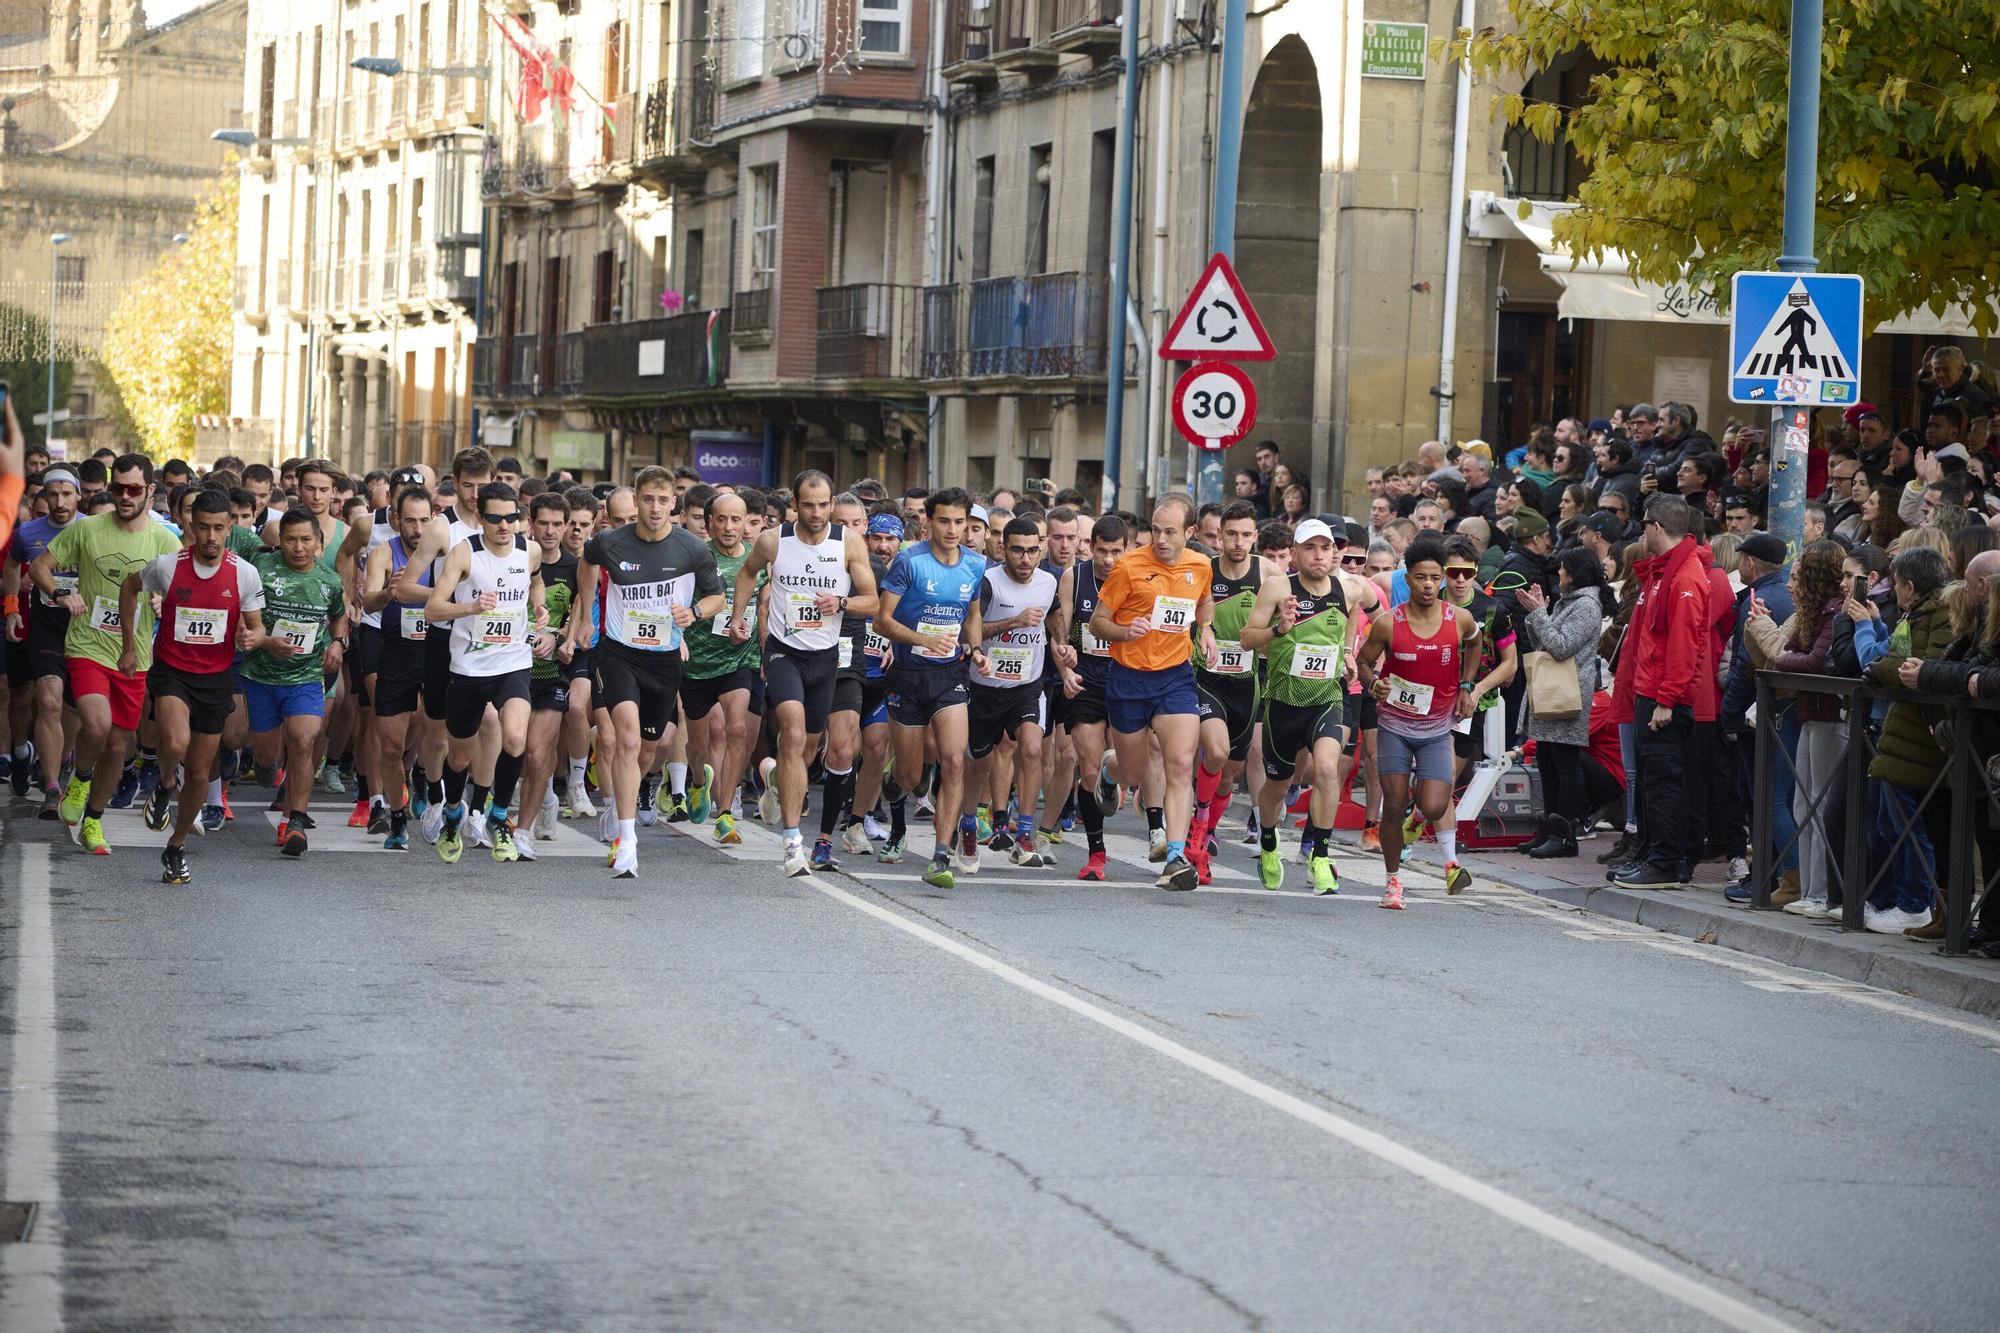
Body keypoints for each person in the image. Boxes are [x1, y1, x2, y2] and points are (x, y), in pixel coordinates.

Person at [574, 468, 722, 877]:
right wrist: (587, 615)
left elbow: (716, 597)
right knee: (623, 736)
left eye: (663, 500)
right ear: (636, 500)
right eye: (648, 499)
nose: (655, 508)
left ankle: (622, 802)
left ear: (673, 503)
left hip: (664, 657)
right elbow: (587, 562)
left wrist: (693, 613)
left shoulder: (691, 548)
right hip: (618, 653)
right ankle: (627, 839)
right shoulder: (610, 541)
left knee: (647, 748)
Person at [730, 471, 877, 877]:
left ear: (832, 504)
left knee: (807, 748)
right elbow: (746, 573)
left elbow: (873, 602)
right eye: (808, 505)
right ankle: (793, 842)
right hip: (783, 652)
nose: (816, 513)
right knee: (792, 734)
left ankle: (776, 779)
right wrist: (738, 616)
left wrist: (842, 602)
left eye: (823, 504)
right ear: (795, 503)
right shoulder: (774, 540)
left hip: (825, 657)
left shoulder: (848, 543)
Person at [33, 453, 180, 855]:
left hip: (135, 655)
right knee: (96, 726)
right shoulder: (88, 529)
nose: (125, 496)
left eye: (134, 489)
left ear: (150, 490)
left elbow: (183, 594)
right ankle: (80, 779)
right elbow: (40, 567)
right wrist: (60, 592)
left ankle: (94, 820)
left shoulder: (166, 540)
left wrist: (163, 605)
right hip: (88, 645)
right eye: (118, 489)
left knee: (118, 745)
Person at [123, 490, 268, 883]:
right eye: (202, 527)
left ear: (231, 528)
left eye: (219, 528)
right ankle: (167, 779)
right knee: (173, 743)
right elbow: (128, 587)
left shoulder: (243, 573)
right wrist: (129, 645)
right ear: (190, 525)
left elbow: (256, 625)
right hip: (172, 671)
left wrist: (254, 637)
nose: (210, 536)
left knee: (202, 775)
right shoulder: (168, 566)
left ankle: (176, 846)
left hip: (215, 677)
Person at [1239, 519, 1384, 893]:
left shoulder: (1351, 589)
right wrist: (1279, 628)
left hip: (1326, 698)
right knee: (1276, 785)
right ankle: (1269, 841)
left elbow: (1382, 618)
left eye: (1325, 548)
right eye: (1309, 548)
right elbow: (1246, 639)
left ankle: (1320, 855)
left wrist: (1357, 653)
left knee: (1325, 770)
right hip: (1283, 702)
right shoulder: (1277, 587)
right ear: (1296, 553)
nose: (1319, 555)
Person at [1089, 494, 1215, 892]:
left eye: (1170, 532)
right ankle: (1110, 769)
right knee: (1132, 772)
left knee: (1180, 765)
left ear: (1190, 533)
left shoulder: (1200, 565)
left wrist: (1206, 630)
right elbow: (1097, 623)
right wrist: (1126, 632)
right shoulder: (1128, 567)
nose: (1160, 539)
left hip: (1175, 676)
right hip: (1129, 679)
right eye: (1156, 529)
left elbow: (1205, 602)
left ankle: (1175, 857)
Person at [428, 481, 550, 867]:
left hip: (512, 661)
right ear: (480, 518)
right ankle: (452, 815)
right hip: (467, 667)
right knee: (461, 756)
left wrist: (540, 606)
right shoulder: (464, 553)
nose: (504, 525)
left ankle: (498, 819)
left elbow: (535, 579)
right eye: (495, 518)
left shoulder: (529, 549)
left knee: (515, 738)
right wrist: (470, 608)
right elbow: (433, 609)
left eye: (511, 517)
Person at [1356, 534, 1482, 907]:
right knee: (1393, 805)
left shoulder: (1459, 620)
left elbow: (1475, 643)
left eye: (1434, 577)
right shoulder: (1388, 624)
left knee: (1432, 806)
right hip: (1394, 725)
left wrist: (1467, 686)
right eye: (1419, 578)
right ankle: (1393, 881)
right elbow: (1364, 662)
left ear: (1441, 578)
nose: (1428, 585)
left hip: (1436, 729)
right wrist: (1373, 683)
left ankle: (1417, 816)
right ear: (1406, 579)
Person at [876, 487, 985, 889]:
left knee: (955, 759)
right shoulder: (909, 561)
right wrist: (922, 641)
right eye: (944, 521)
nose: (953, 529)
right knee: (909, 776)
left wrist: (974, 648)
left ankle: (940, 854)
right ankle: (895, 781)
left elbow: (972, 614)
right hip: (908, 674)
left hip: (949, 676)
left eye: (960, 522)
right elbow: (881, 622)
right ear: (928, 522)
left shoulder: (975, 565)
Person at [1610, 496, 1715, 889]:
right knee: (1657, 780)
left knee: (1664, 782)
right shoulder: (1667, 572)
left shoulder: (1684, 577)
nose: (1641, 532)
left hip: (1662, 699)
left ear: (1656, 527)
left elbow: (1685, 647)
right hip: (1651, 693)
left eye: (1643, 525)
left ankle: (1665, 863)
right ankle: (1657, 856)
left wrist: (1667, 700)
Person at [239, 507, 349, 856]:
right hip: (261, 676)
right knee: (268, 757)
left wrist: (337, 642)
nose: (298, 547)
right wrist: (266, 640)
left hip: (305, 676)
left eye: (305, 540)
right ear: (279, 541)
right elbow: (243, 619)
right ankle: (267, 768)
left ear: (319, 543)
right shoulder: (260, 573)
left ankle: (297, 821)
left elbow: (339, 617)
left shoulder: (329, 580)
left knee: (304, 740)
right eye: (290, 540)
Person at [1189, 500, 1278, 884]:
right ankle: (1197, 827)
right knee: (1217, 751)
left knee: (1230, 775)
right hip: (1206, 678)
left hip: (1247, 683)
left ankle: (1206, 829)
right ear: (1219, 535)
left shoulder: (1271, 574)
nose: (1238, 543)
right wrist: (1201, 630)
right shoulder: (1203, 571)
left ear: (1255, 537)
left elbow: (1285, 624)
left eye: (1246, 535)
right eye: (1231, 534)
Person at [966, 517, 1061, 868]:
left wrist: (1062, 647)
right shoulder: (988, 582)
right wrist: (1014, 622)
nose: (1025, 559)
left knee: (1032, 749)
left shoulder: (1049, 581)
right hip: (985, 687)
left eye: (1033, 551)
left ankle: (1024, 833)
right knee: (979, 763)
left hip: (1027, 685)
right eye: (1017, 550)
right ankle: (970, 825)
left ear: (1042, 547)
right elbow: (970, 630)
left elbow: (1053, 617)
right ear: (1003, 548)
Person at [1513, 547, 1610, 859]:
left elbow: (1559, 646)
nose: (1559, 576)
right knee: (1547, 759)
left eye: (1563, 570)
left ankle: (1565, 833)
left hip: (1567, 692)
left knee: (1565, 764)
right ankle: (1548, 829)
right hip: (1552, 689)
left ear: (1575, 574)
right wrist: (1537, 612)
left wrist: (1539, 613)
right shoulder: (1570, 603)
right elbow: (1541, 640)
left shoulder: (1586, 606)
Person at [680, 489, 762, 848]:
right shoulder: (694, 558)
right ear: (709, 522)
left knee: (737, 727)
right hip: (696, 663)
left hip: (738, 659)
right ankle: (698, 783)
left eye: (736, 519)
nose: (729, 527)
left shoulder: (758, 562)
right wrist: (678, 638)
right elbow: (676, 602)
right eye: (722, 519)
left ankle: (726, 811)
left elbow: (766, 607)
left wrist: (759, 642)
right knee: (697, 746)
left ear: (747, 523)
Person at [1049, 513, 1128, 882]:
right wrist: (1065, 669)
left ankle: (1124, 784)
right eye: (1102, 551)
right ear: (1090, 547)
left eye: (1115, 552)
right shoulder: (1073, 577)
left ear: (1126, 550)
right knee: (1090, 767)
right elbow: (1059, 632)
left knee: (1127, 765)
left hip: (1127, 680)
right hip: (1085, 681)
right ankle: (1097, 854)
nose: (1109, 560)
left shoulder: (1137, 579)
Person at [361, 483, 435, 850]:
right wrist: (388, 593)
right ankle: (398, 815)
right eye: (410, 521)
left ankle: (420, 771)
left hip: (435, 653)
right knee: (390, 745)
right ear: (395, 520)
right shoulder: (383, 554)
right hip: (396, 652)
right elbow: (369, 603)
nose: (418, 529)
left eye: (424, 520)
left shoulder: (446, 555)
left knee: (426, 723)